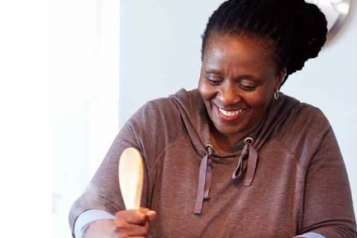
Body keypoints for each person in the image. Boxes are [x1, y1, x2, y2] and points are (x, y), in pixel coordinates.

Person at [69, 0, 356, 237]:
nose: (227, 97)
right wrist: (109, 232)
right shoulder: (158, 122)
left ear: (278, 78)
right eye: (213, 78)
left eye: (247, 85)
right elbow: (90, 209)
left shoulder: (307, 130)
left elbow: (335, 229)